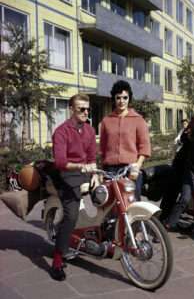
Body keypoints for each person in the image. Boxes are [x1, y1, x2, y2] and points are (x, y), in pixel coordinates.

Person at [51, 93, 99, 281]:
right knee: (71, 215)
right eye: (81, 109)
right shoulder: (61, 131)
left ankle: (96, 239)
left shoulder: (89, 130)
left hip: (86, 172)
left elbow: (92, 158)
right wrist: (82, 166)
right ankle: (57, 260)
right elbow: (61, 162)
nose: (86, 112)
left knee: (105, 197)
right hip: (67, 174)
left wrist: (95, 173)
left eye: (88, 109)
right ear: (71, 109)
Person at [100, 80, 151, 200]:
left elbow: (144, 146)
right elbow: (102, 147)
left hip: (130, 169)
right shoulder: (106, 121)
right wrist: (101, 170)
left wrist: (137, 166)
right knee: (111, 204)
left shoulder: (138, 120)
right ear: (113, 99)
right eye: (118, 97)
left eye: (125, 97)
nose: (121, 101)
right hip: (110, 170)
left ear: (129, 98)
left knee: (132, 203)